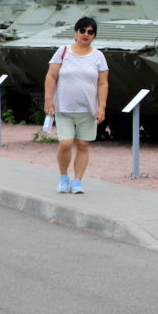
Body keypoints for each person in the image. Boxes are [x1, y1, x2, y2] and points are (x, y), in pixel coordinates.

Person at [43, 16, 108, 194]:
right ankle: (63, 177)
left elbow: (103, 83)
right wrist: (48, 99)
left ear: (94, 35)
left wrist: (101, 106)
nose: (86, 34)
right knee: (65, 143)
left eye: (90, 32)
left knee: (83, 145)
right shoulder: (63, 51)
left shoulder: (98, 56)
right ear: (76, 32)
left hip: (87, 109)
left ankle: (77, 181)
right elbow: (51, 76)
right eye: (82, 31)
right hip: (64, 107)